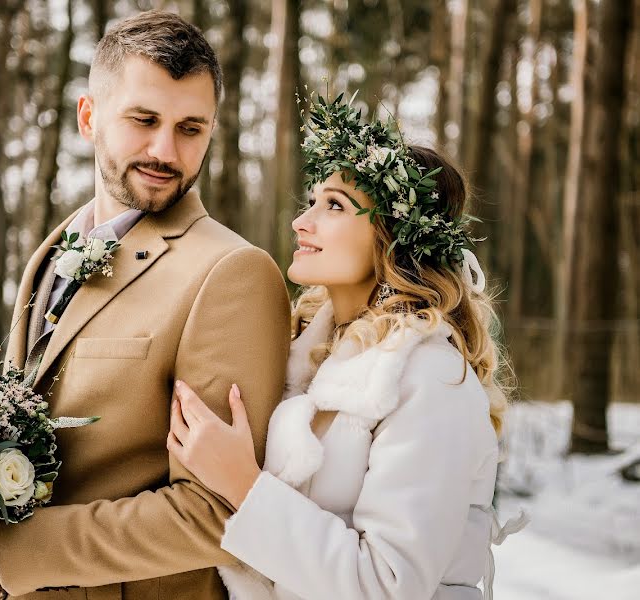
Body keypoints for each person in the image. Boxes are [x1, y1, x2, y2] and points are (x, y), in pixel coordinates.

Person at [0, 11, 291, 600]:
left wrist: (7, 548)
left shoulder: (231, 274)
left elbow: (221, 515)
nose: (165, 150)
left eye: (191, 128)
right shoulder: (51, 250)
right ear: (89, 117)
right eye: (144, 120)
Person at [168, 94, 526, 599]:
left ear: (392, 237)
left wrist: (243, 484)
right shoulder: (305, 357)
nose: (301, 221)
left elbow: (388, 585)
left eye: (334, 205)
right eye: (311, 201)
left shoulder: (432, 378)